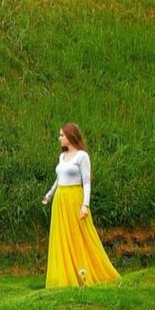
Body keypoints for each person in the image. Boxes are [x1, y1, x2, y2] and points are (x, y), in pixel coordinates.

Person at [42, 123, 120, 287]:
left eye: (62, 135)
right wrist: (49, 195)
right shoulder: (62, 157)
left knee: (80, 236)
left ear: (71, 136)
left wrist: (85, 205)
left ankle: (88, 273)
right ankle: (64, 277)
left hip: (74, 199)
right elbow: (59, 179)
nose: (59, 138)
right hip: (60, 199)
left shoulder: (82, 156)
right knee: (62, 236)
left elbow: (86, 182)